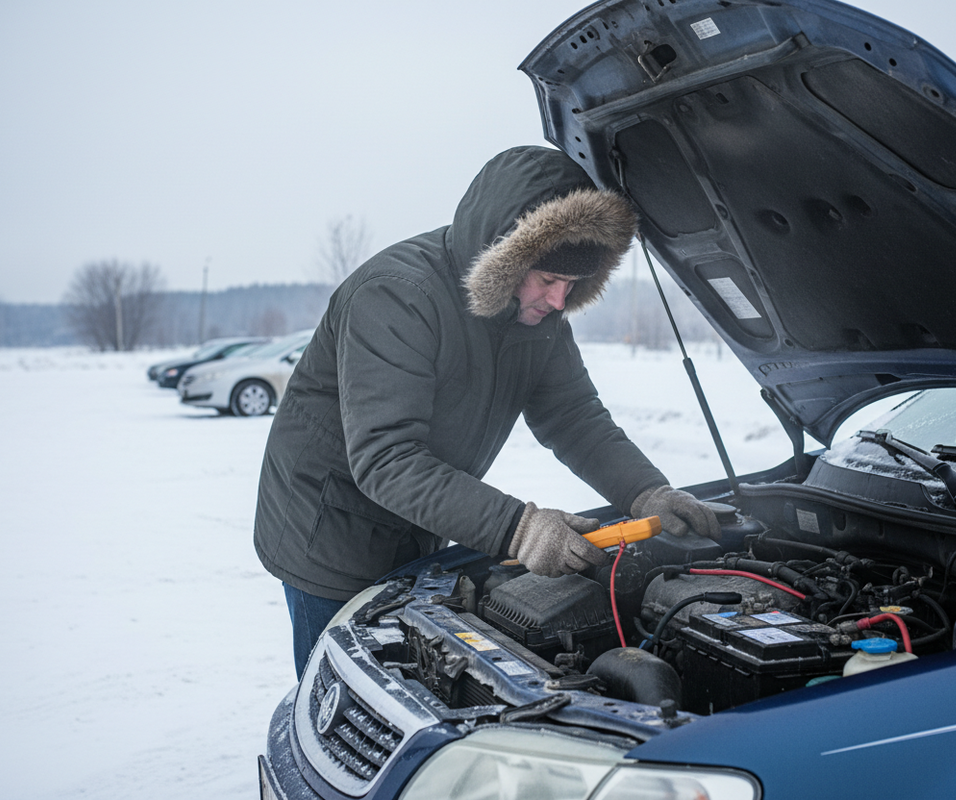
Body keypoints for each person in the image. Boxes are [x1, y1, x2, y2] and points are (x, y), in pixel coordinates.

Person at [253, 145, 721, 678]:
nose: (558, 301)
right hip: (331, 532)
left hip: (419, 520)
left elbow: (574, 417)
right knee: (348, 691)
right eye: (547, 279)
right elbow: (387, 458)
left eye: (571, 285)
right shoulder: (397, 296)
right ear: (505, 256)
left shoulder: (536, 317)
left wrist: (647, 493)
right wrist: (519, 530)